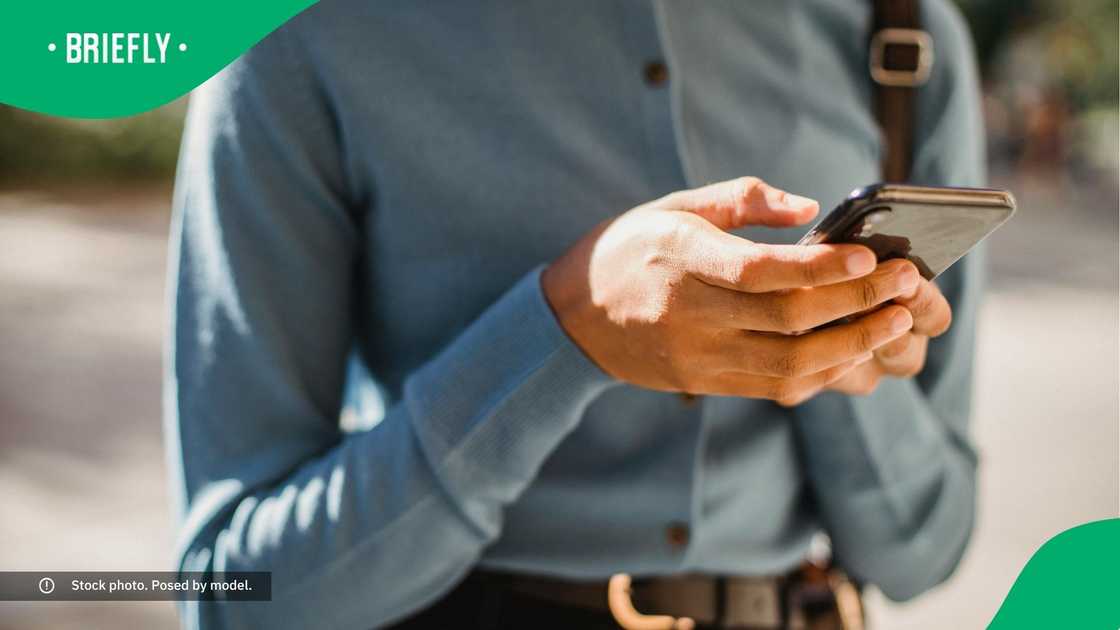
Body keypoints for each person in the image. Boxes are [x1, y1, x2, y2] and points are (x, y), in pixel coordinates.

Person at [165, 1, 985, 628]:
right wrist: (567, 330)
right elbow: (233, 590)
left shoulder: (903, 28)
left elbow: (924, 549)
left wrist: (835, 342)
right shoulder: (300, 34)